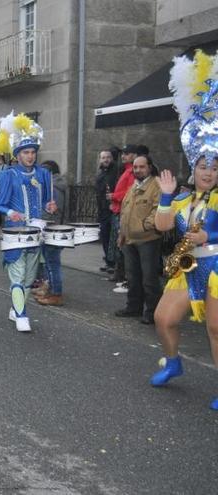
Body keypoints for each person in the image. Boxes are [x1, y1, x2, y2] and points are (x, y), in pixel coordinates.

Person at [150, 53, 218, 410]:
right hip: (187, 266)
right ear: (195, 167)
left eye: (215, 166)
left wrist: (211, 238)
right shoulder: (181, 199)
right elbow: (162, 226)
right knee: (164, 319)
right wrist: (164, 196)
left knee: (217, 329)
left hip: (217, 269)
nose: (208, 171)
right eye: (203, 165)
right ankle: (173, 362)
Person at [0, 112, 57, 332]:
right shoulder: (7, 174)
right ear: (17, 154)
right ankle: (21, 314)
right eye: (26, 152)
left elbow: (47, 200)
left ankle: (16, 308)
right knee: (17, 274)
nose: (30, 156)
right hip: (15, 233)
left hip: (36, 232)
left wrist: (49, 206)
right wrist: (9, 211)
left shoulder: (44, 174)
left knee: (29, 277)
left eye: (33, 152)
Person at [114, 155, 161, 324]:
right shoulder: (134, 185)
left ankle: (153, 313)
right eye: (135, 167)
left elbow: (158, 210)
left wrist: (143, 226)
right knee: (132, 277)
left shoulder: (156, 185)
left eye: (142, 167)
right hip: (129, 239)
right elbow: (125, 212)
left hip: (148, 239)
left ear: (149, 167)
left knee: (149, 279)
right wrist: (122, 234)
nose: (138, 170)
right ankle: (133, 308)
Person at [35, 160, 66, 306]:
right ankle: (50, 289)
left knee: (53, 263)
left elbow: (53, 210)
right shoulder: (51, 185)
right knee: (48, 261)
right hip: (49, 228)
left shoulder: (54, 187)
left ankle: (56, 294)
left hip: (52, 229)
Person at [109, 144, 138, 289]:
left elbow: (129, 192)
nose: (123, 156)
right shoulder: (126, 170)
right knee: (120, 245)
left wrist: (114, 196)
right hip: (119, 209)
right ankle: (121, 273)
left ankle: (128, 278)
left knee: (124, 246)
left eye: (126, 154)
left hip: (124, 210)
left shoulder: (132, 171)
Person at [96, 148, 120, 272]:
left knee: (113, 237)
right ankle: (109, 261)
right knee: (105, 236)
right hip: (103, 210)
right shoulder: (101, 173)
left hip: (113, 209)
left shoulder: (116, 172)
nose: (106, 160)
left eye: (108, 157)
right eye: (103, 157)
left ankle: (115, 263)